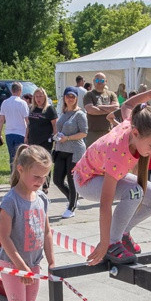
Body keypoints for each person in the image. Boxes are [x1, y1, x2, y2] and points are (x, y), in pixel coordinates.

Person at [73, 89, 151, 265]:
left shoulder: (134, 121)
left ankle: (122, 233)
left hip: (105, 173)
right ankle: (113, 243)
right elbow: (105, 203)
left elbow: (127, 105)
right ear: (136, 134)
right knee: (134, 192)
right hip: (87, 180)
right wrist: (104, 244)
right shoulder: (118, 154)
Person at [0, 144, 55, 301]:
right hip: (13, 266)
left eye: (44, 176)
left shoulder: (41, 198)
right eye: (37, 176)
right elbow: (4, 237)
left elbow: (47, 231)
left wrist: (51, 261)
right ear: (20, 169)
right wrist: (21, 267)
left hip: (33, 265)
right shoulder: (10, 200)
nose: (41, 180)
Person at [52, 87, 87, 219]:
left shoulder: (80, 114)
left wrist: (67, 138)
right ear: (64, 98)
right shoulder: (63, 112)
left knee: (72, 180)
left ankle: (71, 207)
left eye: (73, 96)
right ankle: (72, 198)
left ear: (76, 98)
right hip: (61, 149)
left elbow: (84, 133)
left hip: (75, 150)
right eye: (68, 96)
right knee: (57, 180)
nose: (70, 99)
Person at [26, 87, 57, 193]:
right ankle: (33, 183)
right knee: (33, 162)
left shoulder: (49, 109)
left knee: (44, 163)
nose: (39, 98)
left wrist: (55, 137)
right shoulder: (32, 108)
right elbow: (29, 124)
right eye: (37, 96)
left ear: (45, 97)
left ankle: (45, 186)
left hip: (45, 140)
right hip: (33, 140)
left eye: (41, 96)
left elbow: (54, 125)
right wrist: (26, 137)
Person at [0, 82, 29, 167]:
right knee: (20, 156)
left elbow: (1, 120)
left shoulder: (5, 102)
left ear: (11, 90)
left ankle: (13, 173)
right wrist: (27, 134)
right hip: (21, 132)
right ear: (20, 90)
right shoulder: (22, 103)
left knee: (12, 156)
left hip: (9, 132)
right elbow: (27, 120)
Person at [83, 72, 119, 147]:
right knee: (92, 156)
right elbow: (90, 110)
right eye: (97, 80)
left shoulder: (111, 94)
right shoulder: (89, 94)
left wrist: (100, 106)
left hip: (108, 131)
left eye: (102, 81)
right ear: (93, 81)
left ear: (106, 82)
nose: (99, 82)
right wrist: (108, 109)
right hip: (93, 133)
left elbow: (116, 108)